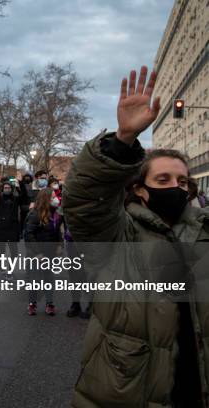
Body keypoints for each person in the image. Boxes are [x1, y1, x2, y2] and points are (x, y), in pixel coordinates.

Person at [63, 66, 209, 407]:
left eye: (183, 181)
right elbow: (85, 200)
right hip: (127, 387)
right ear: (140, 190)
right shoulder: (117, 234)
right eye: (163, 180)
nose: (176, 187)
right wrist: (123, 141)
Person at [24, 188, 62, 316]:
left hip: (50, 253)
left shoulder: (55, 214)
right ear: (45, 199)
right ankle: (32, 304)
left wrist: (59, 245)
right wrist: (37, 253)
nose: (55, 199)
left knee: (49, 279)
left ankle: (49, 304)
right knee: (34, 279)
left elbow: (57, 232)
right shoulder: (35, 214)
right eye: (52, 197)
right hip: (36, 254)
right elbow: (29, 235)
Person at [0, 178, 25, 256]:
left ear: (12, 189)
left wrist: (20, 184)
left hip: (12, 227)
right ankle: (0, 265)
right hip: (1, 227)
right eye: (5, 188)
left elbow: (23, 196)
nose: (7, 189)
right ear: (3, 189)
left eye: (9, 188)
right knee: (0, 250)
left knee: (14, 251)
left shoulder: (15, 199)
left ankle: (11, 267)